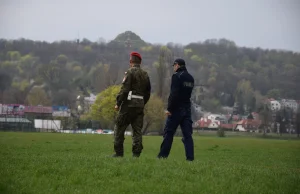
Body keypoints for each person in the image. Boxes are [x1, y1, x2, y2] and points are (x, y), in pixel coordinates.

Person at [112, 52, 151, 158]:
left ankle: (118, 153)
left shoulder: (129, 72)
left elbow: (125, 90)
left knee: (119, 127)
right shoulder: (145, 74)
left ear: (131, 62)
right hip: (139, 106)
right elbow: (147, 93)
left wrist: (118, 103)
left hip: (127, 106)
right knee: (137, 131)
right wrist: (142, 103)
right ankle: (136, 154)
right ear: (140, 62)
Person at [157, 58, 195, 161]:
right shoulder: (191, 78)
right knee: (187, 135)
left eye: (174, 66)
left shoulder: (177, 76)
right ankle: (190, 158)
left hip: (176, 109)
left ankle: (162, 156)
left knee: (169, 133)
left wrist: (169, 108)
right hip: (187, 109)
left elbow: (174, 94)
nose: (174, 68)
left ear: (177, 65)